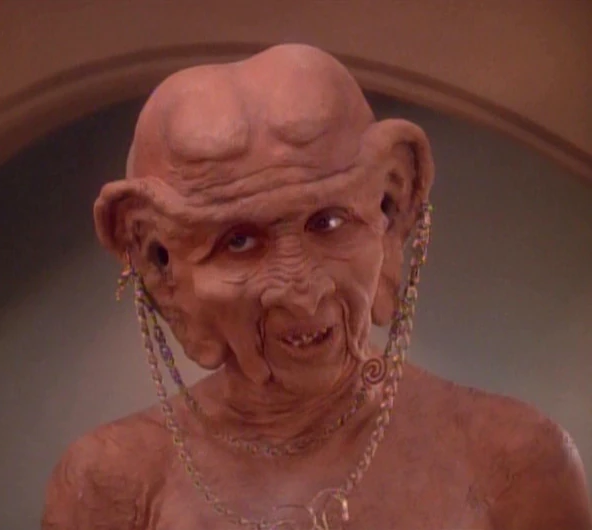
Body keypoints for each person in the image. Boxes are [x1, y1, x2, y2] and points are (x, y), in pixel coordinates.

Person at [42, 44, 591, 530]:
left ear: (391, 208)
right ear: (157, 262)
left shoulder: (514, 460)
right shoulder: (112, 484)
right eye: (239, 241)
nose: (301, 290)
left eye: (328, 222)